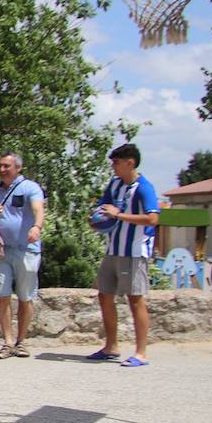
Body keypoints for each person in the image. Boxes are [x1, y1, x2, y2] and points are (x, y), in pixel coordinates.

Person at [87, 143, 160, 367]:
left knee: (135, 299)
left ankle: (141, 353)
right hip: (113, 250)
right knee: (104, 295)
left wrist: (120, 215)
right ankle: (111, 346)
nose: (113, 167)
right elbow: (103, 207)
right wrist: (97, 219)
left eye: (116, 163)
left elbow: (152, 219)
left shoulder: (144, 187)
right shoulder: (115, 184)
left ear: (130, 162)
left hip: (134, 252)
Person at [0, 151, 45, 359]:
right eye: (0, 166)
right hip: (1, 251)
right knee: (2, 296)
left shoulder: (30, 188)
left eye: (6, 166)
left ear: (18, 168)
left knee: (25, 297)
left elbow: (38, 208)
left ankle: (21, 341)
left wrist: (37, 226)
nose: (2, 170)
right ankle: (7, 341)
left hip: (26, 250)